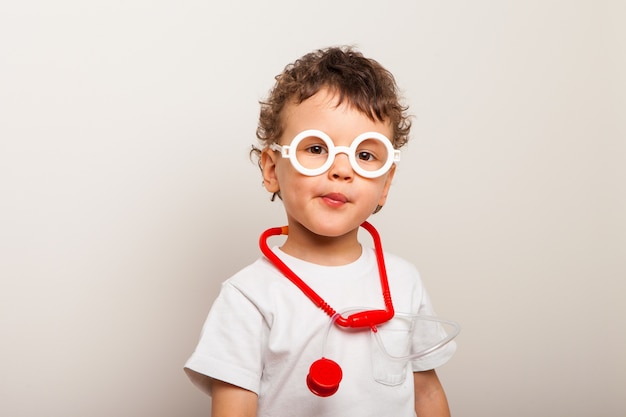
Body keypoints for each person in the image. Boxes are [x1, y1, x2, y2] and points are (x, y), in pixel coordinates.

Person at [184, 46, 456, 417]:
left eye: (365, 155)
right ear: (271, 169)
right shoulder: (249, 297)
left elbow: (425, 392)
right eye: (316, 148)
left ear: (386, 183)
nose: (342, 170)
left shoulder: (404, 281)